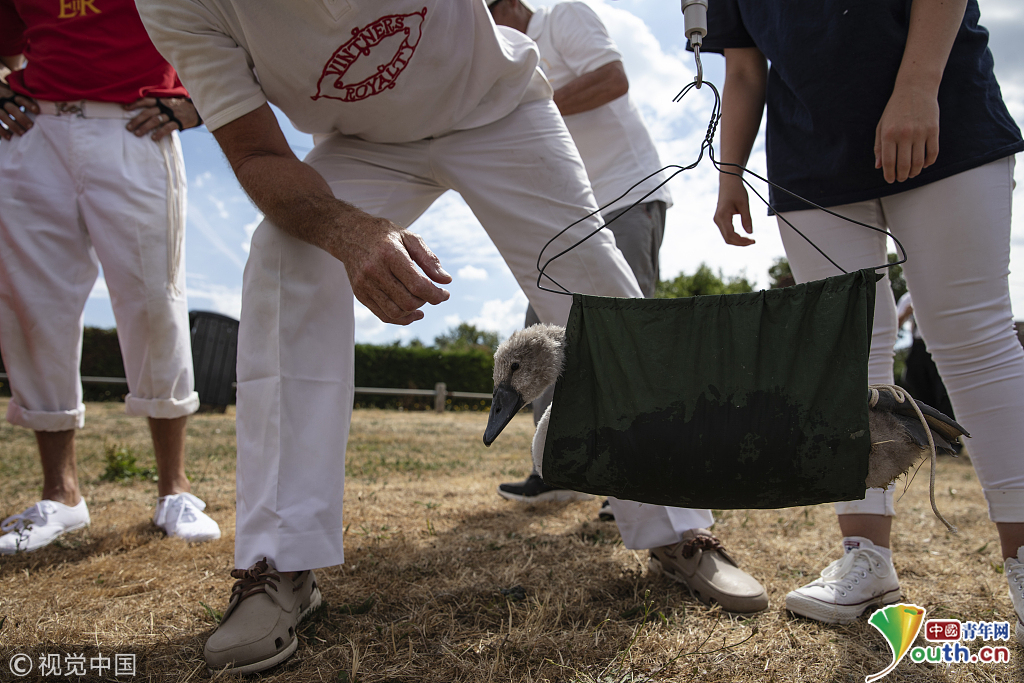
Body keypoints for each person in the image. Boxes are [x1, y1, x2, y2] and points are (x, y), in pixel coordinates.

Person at [136, 0, 767, 673]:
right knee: (284, 257)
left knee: (596, 290)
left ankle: (679, 530)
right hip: (362, 141)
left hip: (497, 108)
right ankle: (280, 559)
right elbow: (257, 152)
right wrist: (346, 230)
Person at [707, 0, 1024, 635]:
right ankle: (866, 558)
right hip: (809, 158)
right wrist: (730, 173)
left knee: (971, 339)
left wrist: (917, 88)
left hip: (943, 115)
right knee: (845, 356)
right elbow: (743, 69)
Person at [0, 0, 220, 554]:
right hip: (32, 129)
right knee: (32, 307)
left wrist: (199, 104)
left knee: (154, 303)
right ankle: (60, 496)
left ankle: (174, 490)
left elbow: (245, 32)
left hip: (134, 125)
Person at [489, 0, 671, 511]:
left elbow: (612, 78)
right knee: (537, 340)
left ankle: (632, 481)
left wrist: (526, 109)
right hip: (567, 213)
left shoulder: (563, 18)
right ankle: (557, 467)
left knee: (625, 332)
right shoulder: (503, 66)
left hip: (627, 194)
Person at [896, 291, 955, 420]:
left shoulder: (941, 293)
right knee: (920, 392)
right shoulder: (908, 298)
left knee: (944, 393)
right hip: (919, 348)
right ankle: (928, 425)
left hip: (942, 345)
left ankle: (948, 426)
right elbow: (894, 327)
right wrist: (906, 313)